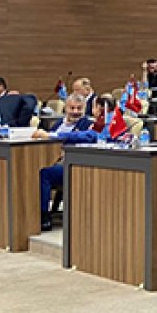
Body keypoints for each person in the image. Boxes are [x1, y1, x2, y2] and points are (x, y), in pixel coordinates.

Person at [31, 94, 106, 230]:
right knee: (30, 169)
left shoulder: (88, 124)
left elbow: (86, 137)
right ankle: (29, 214)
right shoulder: (58, 124)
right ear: (65, 108)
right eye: (72, 108)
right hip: (52, 159)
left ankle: (44, 216)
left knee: (45, 173)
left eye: (79, 108)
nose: (75, 112)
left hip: (73, 165)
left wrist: (53, 136)